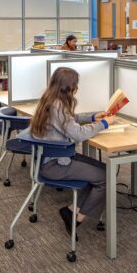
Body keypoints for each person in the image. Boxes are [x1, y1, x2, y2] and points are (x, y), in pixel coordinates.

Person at [27, 67, 113, 237]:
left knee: (103, 170)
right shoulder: (57, 105)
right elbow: (78, 134)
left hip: (53, 158)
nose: (77, 89)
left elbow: (69, 120)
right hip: (55, 164)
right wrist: (104, 124)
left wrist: (93, 117)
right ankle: (77, 217)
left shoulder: (50, 99)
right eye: (75, 85)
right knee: (105, 177)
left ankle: (72, 210)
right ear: (67, 87)